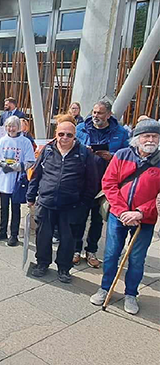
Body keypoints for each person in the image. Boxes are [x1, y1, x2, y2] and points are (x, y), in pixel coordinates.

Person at [90, 120, 160, 315]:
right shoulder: (122, 155)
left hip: (144, 219)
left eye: (155, 136)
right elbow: (109, 184)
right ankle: (105, 288)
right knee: (112, 254)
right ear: (137, 138)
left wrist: (140, 212)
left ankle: (131, 294)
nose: (151, 140)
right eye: (147, 136)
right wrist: (122, 211)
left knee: (137, 259)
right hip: (118, 215)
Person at [27, 115, 97, 283]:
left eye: (69, 135)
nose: (64, 138)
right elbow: (36, 173)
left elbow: (92, 182)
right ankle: (42, 263)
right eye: (61, 134)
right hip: (46, 203)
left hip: (71, 206)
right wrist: (31, 196)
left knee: (68, 239)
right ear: (56, 133)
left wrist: (84, 204)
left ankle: (64, 269)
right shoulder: (47, 150)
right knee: (43, 236)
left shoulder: (84, 153)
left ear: (75, 136)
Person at [75, 98, 129, 268]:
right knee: (79, 218)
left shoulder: (120, 132)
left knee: (98, 219)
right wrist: (85, 151)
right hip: (83, 180)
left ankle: (91, 251)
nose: (96, 115)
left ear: (109, 114)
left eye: (100, 113)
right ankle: (76, 250)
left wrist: (112, 156)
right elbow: (73, 147)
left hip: (105, 184)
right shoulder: (81, 128)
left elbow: (127, 154)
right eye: (94, 112)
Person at [0, 116, 36, 246]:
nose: (11, 129)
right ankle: (2, 230)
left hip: (17, 180)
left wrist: (17, 167)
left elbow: (30, 161)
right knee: (3, 207)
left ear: (18, 127)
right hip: (4, 178)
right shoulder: (2, 140)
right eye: (8, 126)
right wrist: (3, 164)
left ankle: (14, 234)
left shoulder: (25, 142)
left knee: (15, 208)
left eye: (13, 126)